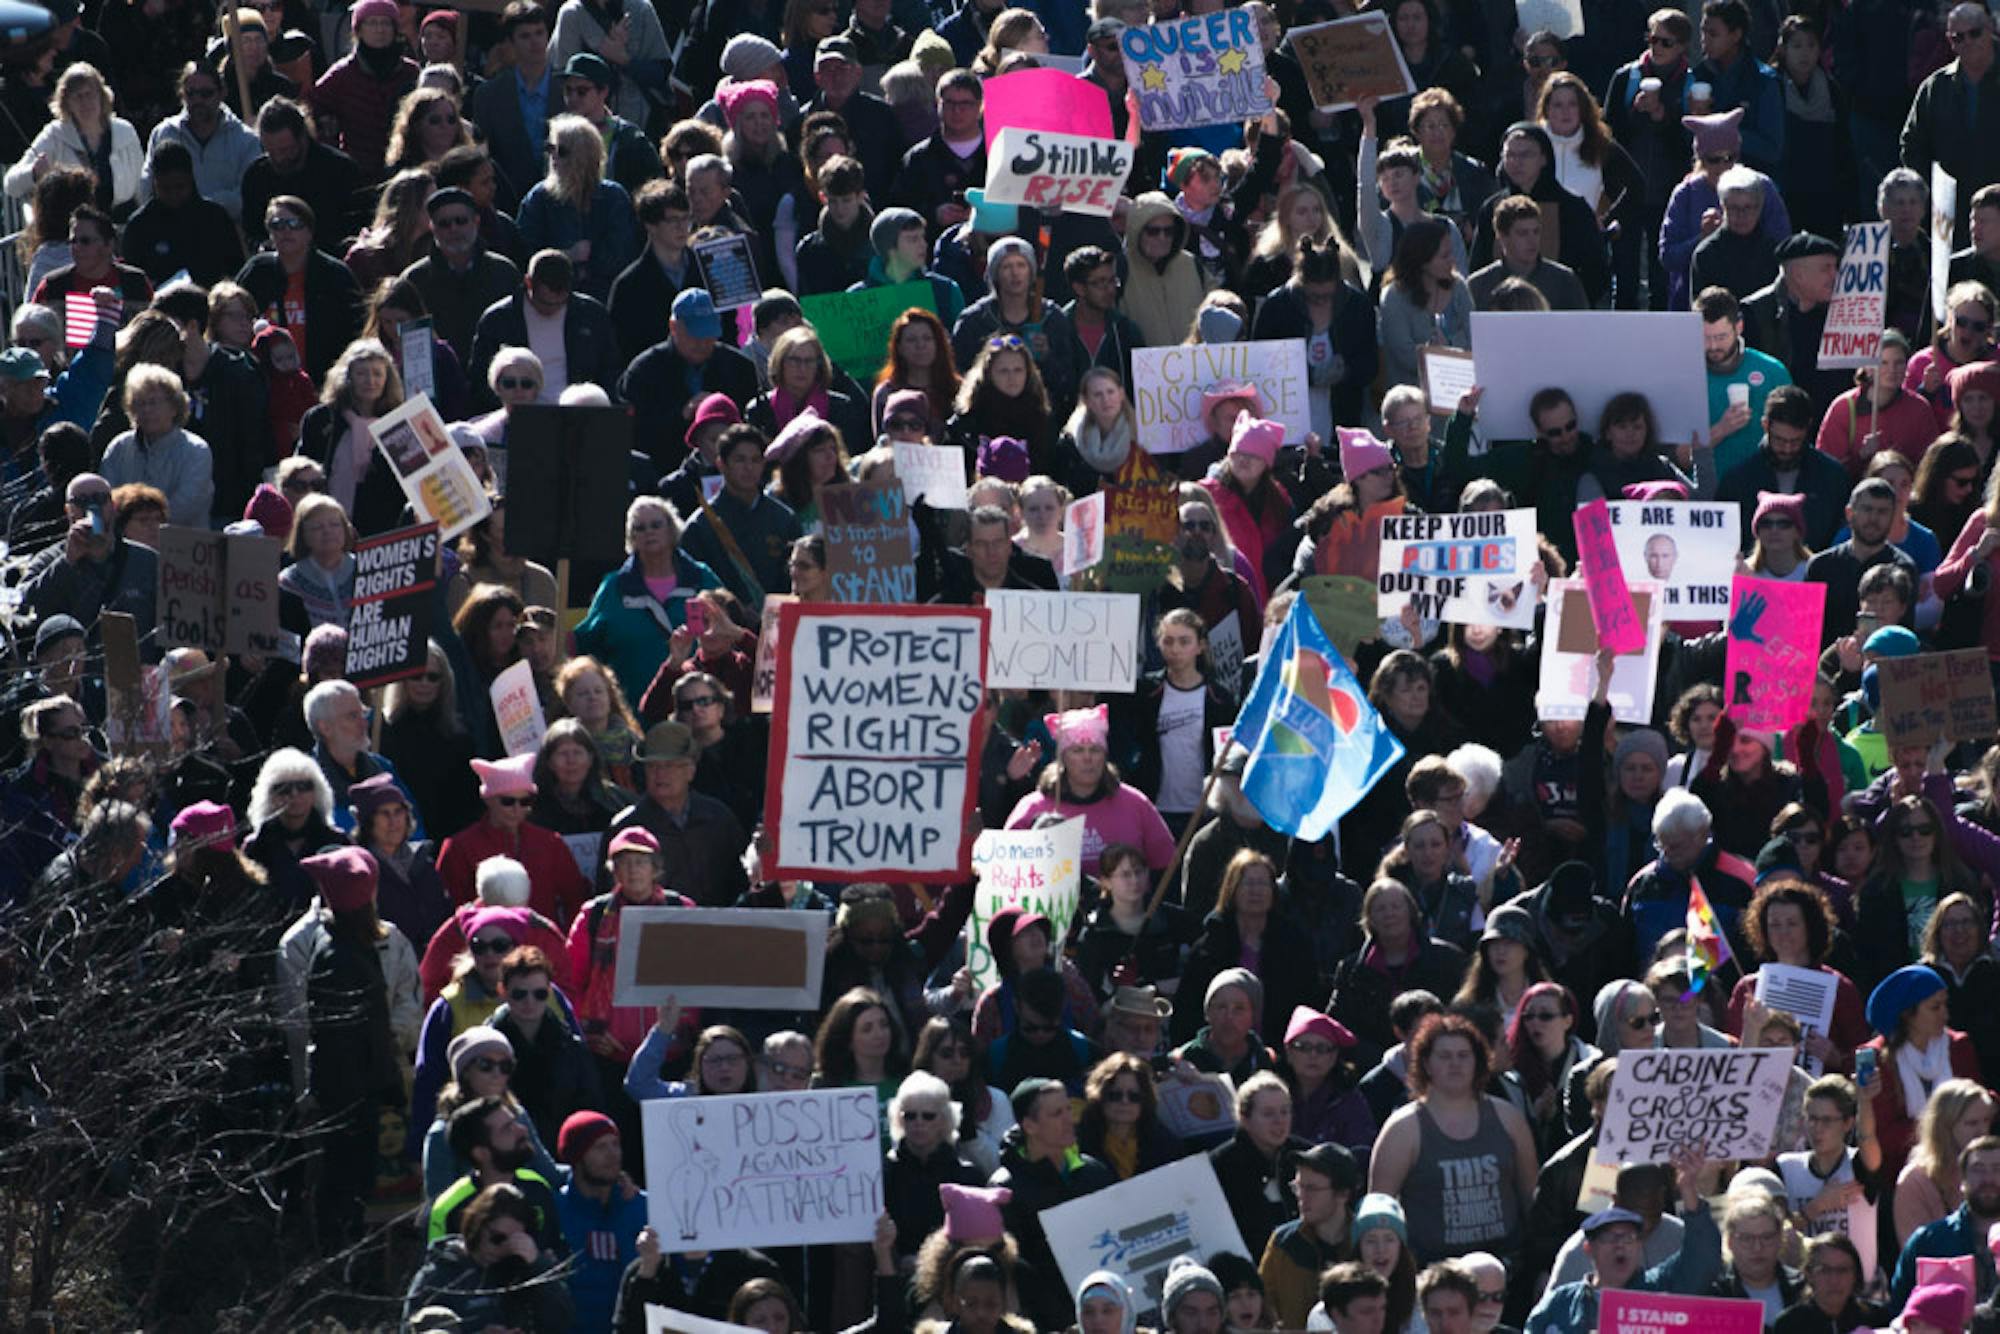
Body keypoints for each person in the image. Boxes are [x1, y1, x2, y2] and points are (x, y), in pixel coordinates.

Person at [1369, 1012, 1538, 1263]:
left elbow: (1530, 1199)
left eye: (1463, 1055)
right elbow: (1379, 1213)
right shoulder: (1403, 1129)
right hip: (1433, 1271)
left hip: (1506, 1266)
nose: (1455, 1064)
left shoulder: (1509, 1118)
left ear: (1478, 1062)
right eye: (1444, 1056)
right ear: (1426, 1063)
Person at [1526, 1151, 1722, 1334]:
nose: (1619, 1246)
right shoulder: (1560, 1305)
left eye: (1628, 1238)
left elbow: (1703, 1260)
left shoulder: (1661, 1287)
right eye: (1610, 1238)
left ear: (1639, 1246)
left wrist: (1688, 1190)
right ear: (1588, 1248)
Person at [992, 1078, 1116, 1331]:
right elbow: (1015, 1270)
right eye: (1057, 1113)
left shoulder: (1095, 1172)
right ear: (1030, 1125)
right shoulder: (1005, 1190)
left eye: (1069, 1109)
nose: (1069, 1119)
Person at [437, 754, 590, 927]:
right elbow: (450, 910)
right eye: (507, 801)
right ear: (488, 799)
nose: (517, 809)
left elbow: (575, 898)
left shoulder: (550, 842)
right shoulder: (459, 847)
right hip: (488, 947)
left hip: (541, 946)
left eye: (525, 801)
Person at [403, 1181, 576, 1330]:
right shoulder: (439, 1276)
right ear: (477, 1226)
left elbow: (562, 1321)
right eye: (497, 1238)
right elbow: (410, 1327)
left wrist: (537, 1265)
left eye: (514, 1241)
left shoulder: (519, 1273)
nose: (503, 1248)